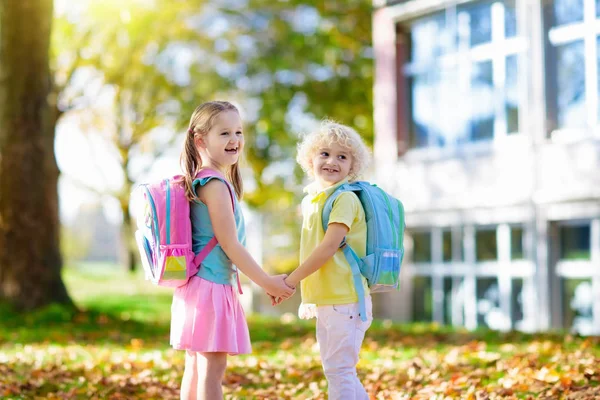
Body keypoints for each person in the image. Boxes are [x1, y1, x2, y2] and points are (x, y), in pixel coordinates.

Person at [171, 101, 295, 400]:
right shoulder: (214, 184)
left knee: (197, 366)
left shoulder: (202, 179)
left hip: (196, 287)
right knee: (212, 369)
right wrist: (266, 281)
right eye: (224, 133)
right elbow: (230, 244)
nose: (235, 140)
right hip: (212, 286)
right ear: (200, 140)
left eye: (238, 132)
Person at [281, 120, 373, 400]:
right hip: (329, 299)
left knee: (339, 371)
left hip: (346, 298)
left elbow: (327, 248)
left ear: (352, 166)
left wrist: (290, 281)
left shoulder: (345, 199)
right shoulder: (312, 200)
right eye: (325, 153)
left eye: (342, 157)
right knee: (339, 370)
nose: (332, 161)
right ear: (310, 158)